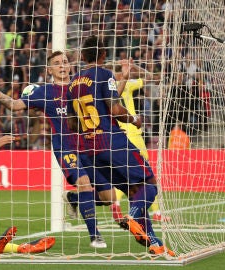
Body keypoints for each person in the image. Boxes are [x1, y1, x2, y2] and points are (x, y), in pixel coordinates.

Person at [0, 51, 116, 248]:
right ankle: (95, 236)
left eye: (65, 62)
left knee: (109, 197)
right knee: (84, 183)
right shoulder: (44, 92)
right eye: (57, 63)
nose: (62, 66)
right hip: (66, 147)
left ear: (70, 66)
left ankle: (74, 198)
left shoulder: (82, 85)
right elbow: (14, 105)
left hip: (90, 146)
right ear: (49, 69)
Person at [67, 35, 174, 256]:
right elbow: (115, 110)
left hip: (90, 150)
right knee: (150, 183)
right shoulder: (104, 73)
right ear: (104, 55)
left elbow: (71, 123)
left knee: (135, 192)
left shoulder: (73, 83)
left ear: (83, 56)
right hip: (112, 142)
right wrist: (134, 119)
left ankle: (153, 242)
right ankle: (133, 216)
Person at [107, 61, 170, 223]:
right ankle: (156, 212)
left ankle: (115, 202)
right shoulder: (126, 84)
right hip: (133, 131)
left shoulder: (103, 89)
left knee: (124, 175)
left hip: (116, 135)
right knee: (147, 173)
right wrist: (134, 67)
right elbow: (152, 77)